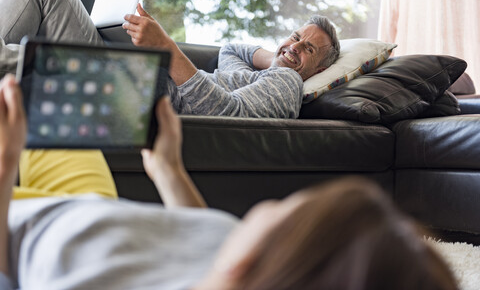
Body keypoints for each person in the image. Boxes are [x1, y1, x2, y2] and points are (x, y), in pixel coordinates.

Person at [0, 74, 459, 289]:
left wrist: (6, 164)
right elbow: (199, 232)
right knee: (38, 104)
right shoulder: (244, 264)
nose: (280, 205)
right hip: (94, 204)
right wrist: (169, 170)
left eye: (285, 212)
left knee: (12, 101)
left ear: (248, 262)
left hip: (20, 220)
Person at [0, 0, 340, 119]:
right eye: (296, 37)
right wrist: (281, 55)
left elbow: (227, 113)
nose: (296, 46)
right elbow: (231, 50)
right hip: (127, 76)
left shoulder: (287, 84)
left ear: (321, 69)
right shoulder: (259, 77)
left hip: (128, 93)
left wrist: (166, 48)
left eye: (308, 49)